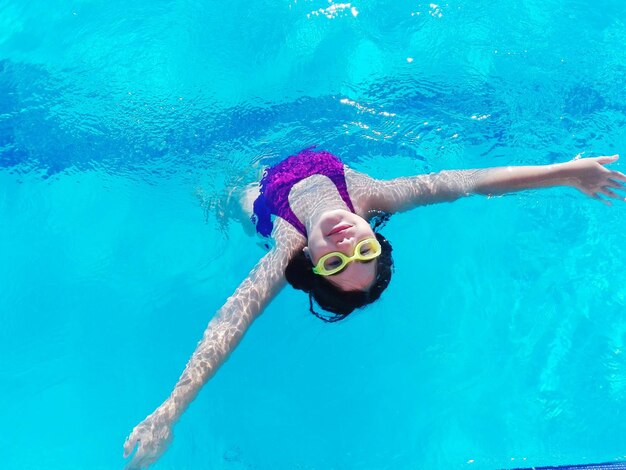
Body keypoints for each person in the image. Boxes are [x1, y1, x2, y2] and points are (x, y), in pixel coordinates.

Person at [123, 148, 625, 469]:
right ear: (375, 239)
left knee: (224, 191)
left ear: (311, 262)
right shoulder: (372, 197)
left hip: (260, 198)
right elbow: (473, 181)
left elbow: (228, 326)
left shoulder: (285, 247)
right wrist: (564, 173)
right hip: (308, 158)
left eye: (336, 262)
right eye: (362, 252)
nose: (347, 244)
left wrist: (169, 411)